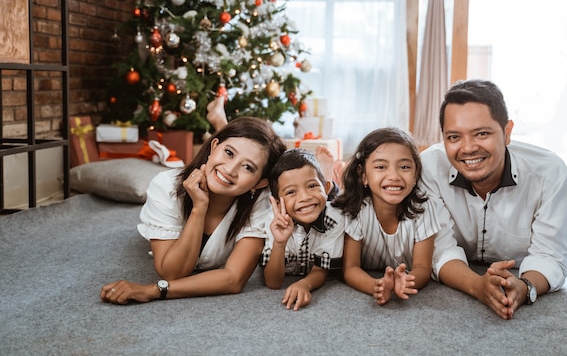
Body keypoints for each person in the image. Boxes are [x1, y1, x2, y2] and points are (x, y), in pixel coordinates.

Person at [419, 79, 567, 320]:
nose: (468, 148)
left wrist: (524, 287)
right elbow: (439, 250)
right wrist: (477, 286)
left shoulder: (549, 173)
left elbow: (550, 256)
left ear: (507, 132)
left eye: (481, 133)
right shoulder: (428, 167)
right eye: (454, 137)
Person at [100, 117, 286, 304]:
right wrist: (199, 208)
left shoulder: (262, 202)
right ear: (214, 147)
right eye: (228, 153)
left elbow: (233, 279)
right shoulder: (166, 186)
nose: (230, 169)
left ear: (260, 182)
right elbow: (172, 272)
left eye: (248, 167)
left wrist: (152, 290)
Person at [332, 127, 440, 306]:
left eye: (404, 167)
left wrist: (406, 281)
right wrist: (376, 286)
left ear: (415, 175)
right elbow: (351, 268)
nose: (394, 176)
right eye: (381, 167)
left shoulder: (424, 207)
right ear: (364, 175)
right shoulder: (356, 210)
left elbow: (422, 267)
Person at [261, 147, 344, 311]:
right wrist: (280, 242)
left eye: (311, 186)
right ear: (278, 203)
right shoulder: (272, 219)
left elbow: (321, 270)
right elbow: (273, 282)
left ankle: (330, 181)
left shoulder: (335, 219)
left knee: (341, 203)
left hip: (327, 204)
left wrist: (304, 284)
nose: (304, 197)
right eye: (291, 191)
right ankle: (321, 178)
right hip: (306, 205)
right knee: (314, 201)